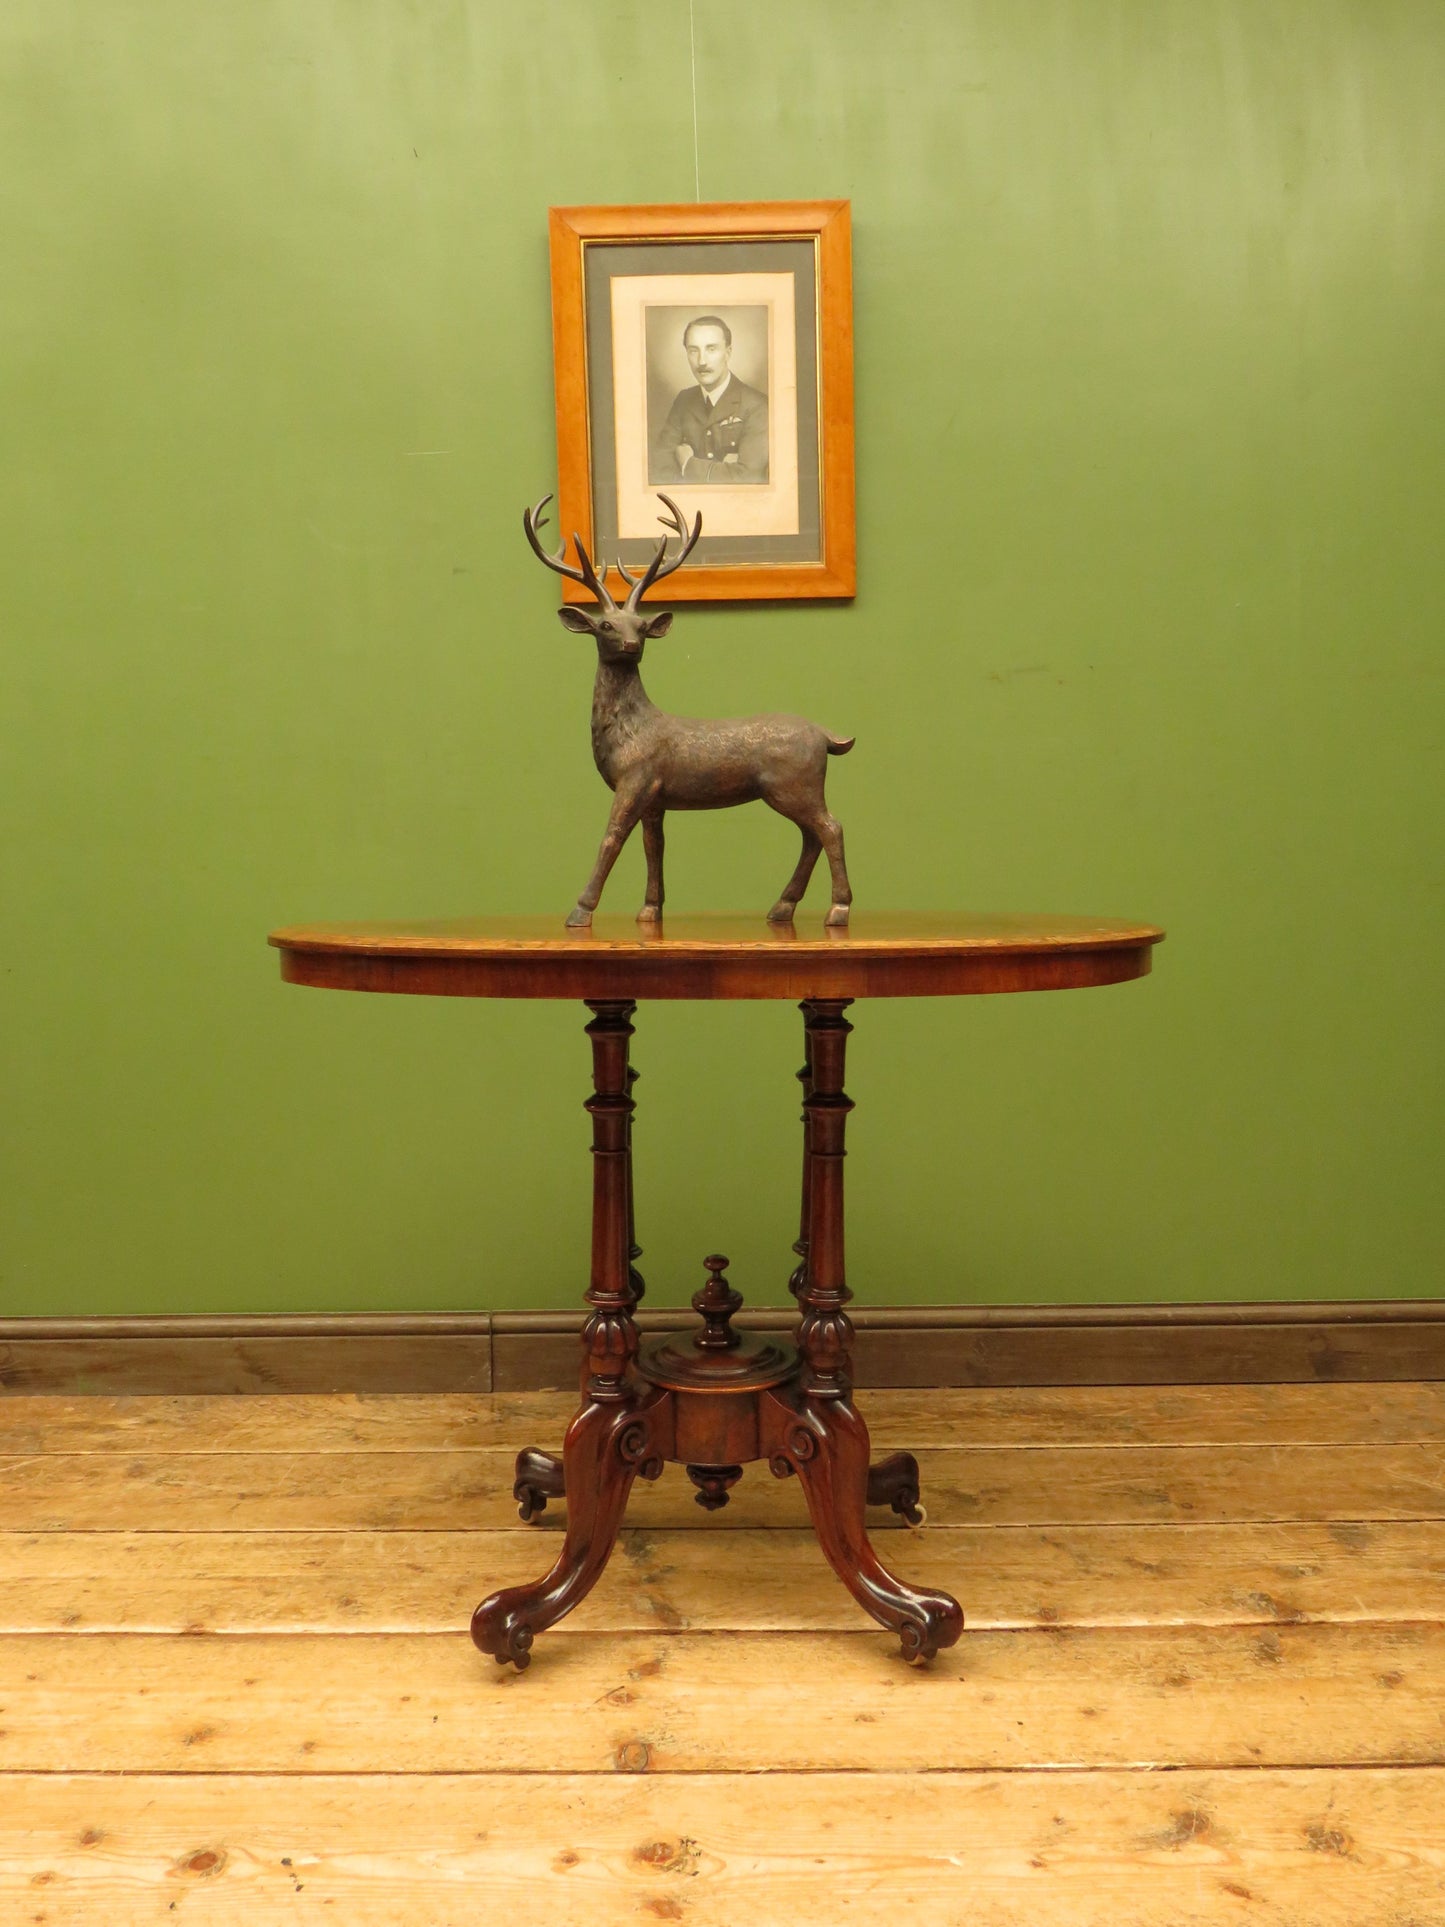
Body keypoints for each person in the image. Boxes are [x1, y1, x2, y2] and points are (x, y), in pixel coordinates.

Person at [651, 315, 769, 484]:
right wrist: (724, 470)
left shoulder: (757, 405)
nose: (702, 361)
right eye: (693, 350)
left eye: (711, 349)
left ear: (728, 353)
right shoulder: (683, 400)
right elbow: (659, 469)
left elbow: (747, 477)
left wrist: (687, 465)